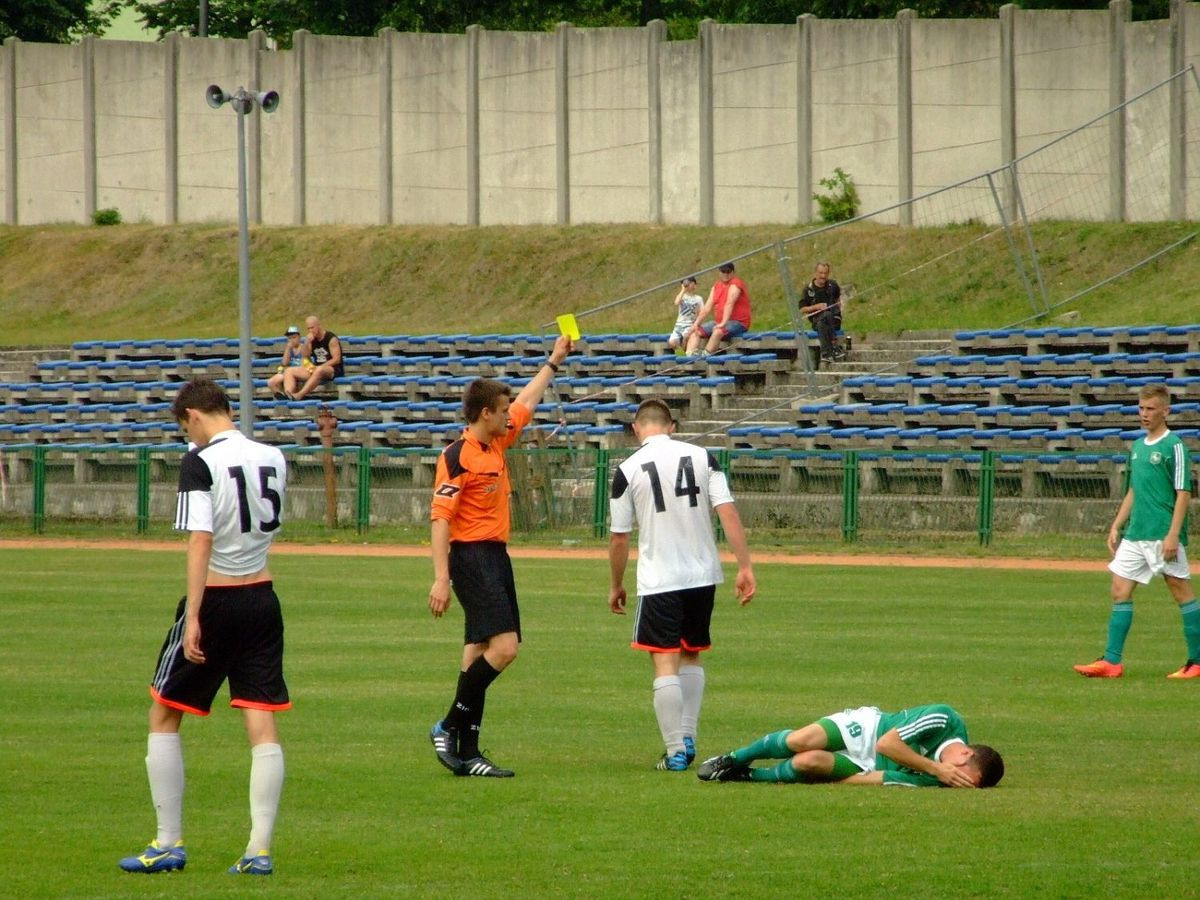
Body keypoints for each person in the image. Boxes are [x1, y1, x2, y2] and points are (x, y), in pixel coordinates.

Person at [119, 379, 289, 876]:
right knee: (261, 721)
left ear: (193, 415)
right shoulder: (273, 456)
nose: (187, 438)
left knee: (163, 714)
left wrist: (193, 615)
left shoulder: (200, 461)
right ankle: (259, 850)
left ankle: (168, 843)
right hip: (263, 598)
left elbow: (200, 539)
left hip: (216, 598)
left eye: (184, 427)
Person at [428, 334, 574, 778]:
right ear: (485, 413)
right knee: (505, 649)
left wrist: (553, 361)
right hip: (471, 558)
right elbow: (439, 519)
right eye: (503, 408)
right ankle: (447, 724)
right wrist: (440, 577)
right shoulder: (457, 457)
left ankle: (468, 753)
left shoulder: (498, 440)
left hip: (496, 556)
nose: (512, 413)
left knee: (476, 652)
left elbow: (528, 398)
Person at [608, 398, 756, 771]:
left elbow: (620, 537)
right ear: (672, 426)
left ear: (637, 428)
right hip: (702, 575)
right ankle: (688, 736)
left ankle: (675, 751)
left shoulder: (627, 469)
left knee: (664, 661)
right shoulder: (704, 457)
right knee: (691, 653)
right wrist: (745, 566)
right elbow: (728, 511)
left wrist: (616, 584)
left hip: (660, 579)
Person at [1074, 383, 1197, 679]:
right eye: (1141, 408)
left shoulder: (1175, 446)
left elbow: (1183, 493)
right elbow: (1134, 490)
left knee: (1180, 592)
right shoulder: (1138, 446)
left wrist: (1172, 534)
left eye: (1150, 408)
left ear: (1165, 411)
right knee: (1119, 590)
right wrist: (1117, 524)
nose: (1144, 414)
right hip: (1136, 533)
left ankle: (1196, 661)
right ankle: (1111, 662)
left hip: (1161, 533)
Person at [697, 703, 1004, 788]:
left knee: (808, 762)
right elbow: (887, 744)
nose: (956, 780)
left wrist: (834, 778)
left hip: (866, 764)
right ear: (966, 753)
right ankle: (734, 759)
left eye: (964, 785)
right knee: (801, 740)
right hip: (868, 730)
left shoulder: (939, 780)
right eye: (961, 774)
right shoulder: (944, 719)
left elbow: (884, 777)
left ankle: (747, 777)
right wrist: (938, 769)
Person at [686, 262, 751, 357]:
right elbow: (707, 308)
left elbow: (730, 303)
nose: (725, 274)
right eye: (723, 271)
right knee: (696, 331)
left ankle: (705, 355)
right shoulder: (716, 286)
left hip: (738, 322)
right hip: (719, 321)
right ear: (719, 272)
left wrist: (723, 323)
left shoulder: (736, 284)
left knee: (717, 331)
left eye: (728, 271)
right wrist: (695, 324)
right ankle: (689, 357)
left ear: (733, 272)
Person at [282, 315, 342, 400]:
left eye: (312, 328)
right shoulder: (311, 339)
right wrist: (307, 342)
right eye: (308, 328)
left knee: (319, 370)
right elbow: (305, 355)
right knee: (289, 371)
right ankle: (288, 395)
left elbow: (336, 359)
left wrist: (320, 367)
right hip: (316, 369)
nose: (310, 330)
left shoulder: (331, 338)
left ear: (318, 325)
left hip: (333, 369)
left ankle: (299, 395)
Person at [800, 261, 845, 364]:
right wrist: (817, 307)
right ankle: (833, 346)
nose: (823, 276)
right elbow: (802, 309)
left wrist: (838, 311)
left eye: (825, 273)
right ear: (815, 273)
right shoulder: (808, 289)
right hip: (817, 320)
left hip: (834, 320)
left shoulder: (833, 285)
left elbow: (838, 300)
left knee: (828, 315)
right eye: (821, 273)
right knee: (823, 319)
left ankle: (825, 353)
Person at [267, 325, 309, 400]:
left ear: (299, 337)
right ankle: (282, 397)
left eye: (294, 337)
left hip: (299, 371)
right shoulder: (289, 349)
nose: (292, 340)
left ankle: (289, 396)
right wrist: (288, 349)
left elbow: (304, 362)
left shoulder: (303, 348)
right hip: (288, 371)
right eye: (290, 338)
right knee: (271, 382)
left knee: (289, 375)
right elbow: (284, 363)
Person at [667, 276, 704, 353]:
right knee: (672, 343)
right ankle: (682, 349)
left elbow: (702, 312)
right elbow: (676, 302)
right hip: (679, 325)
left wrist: (697, 324)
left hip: (690, 324)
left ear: (695, 285)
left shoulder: (698, 299)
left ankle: (685, 349)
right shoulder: (682, 296)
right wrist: (683, 290)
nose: (688, 284)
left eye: (690, 283)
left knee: (686, 337)